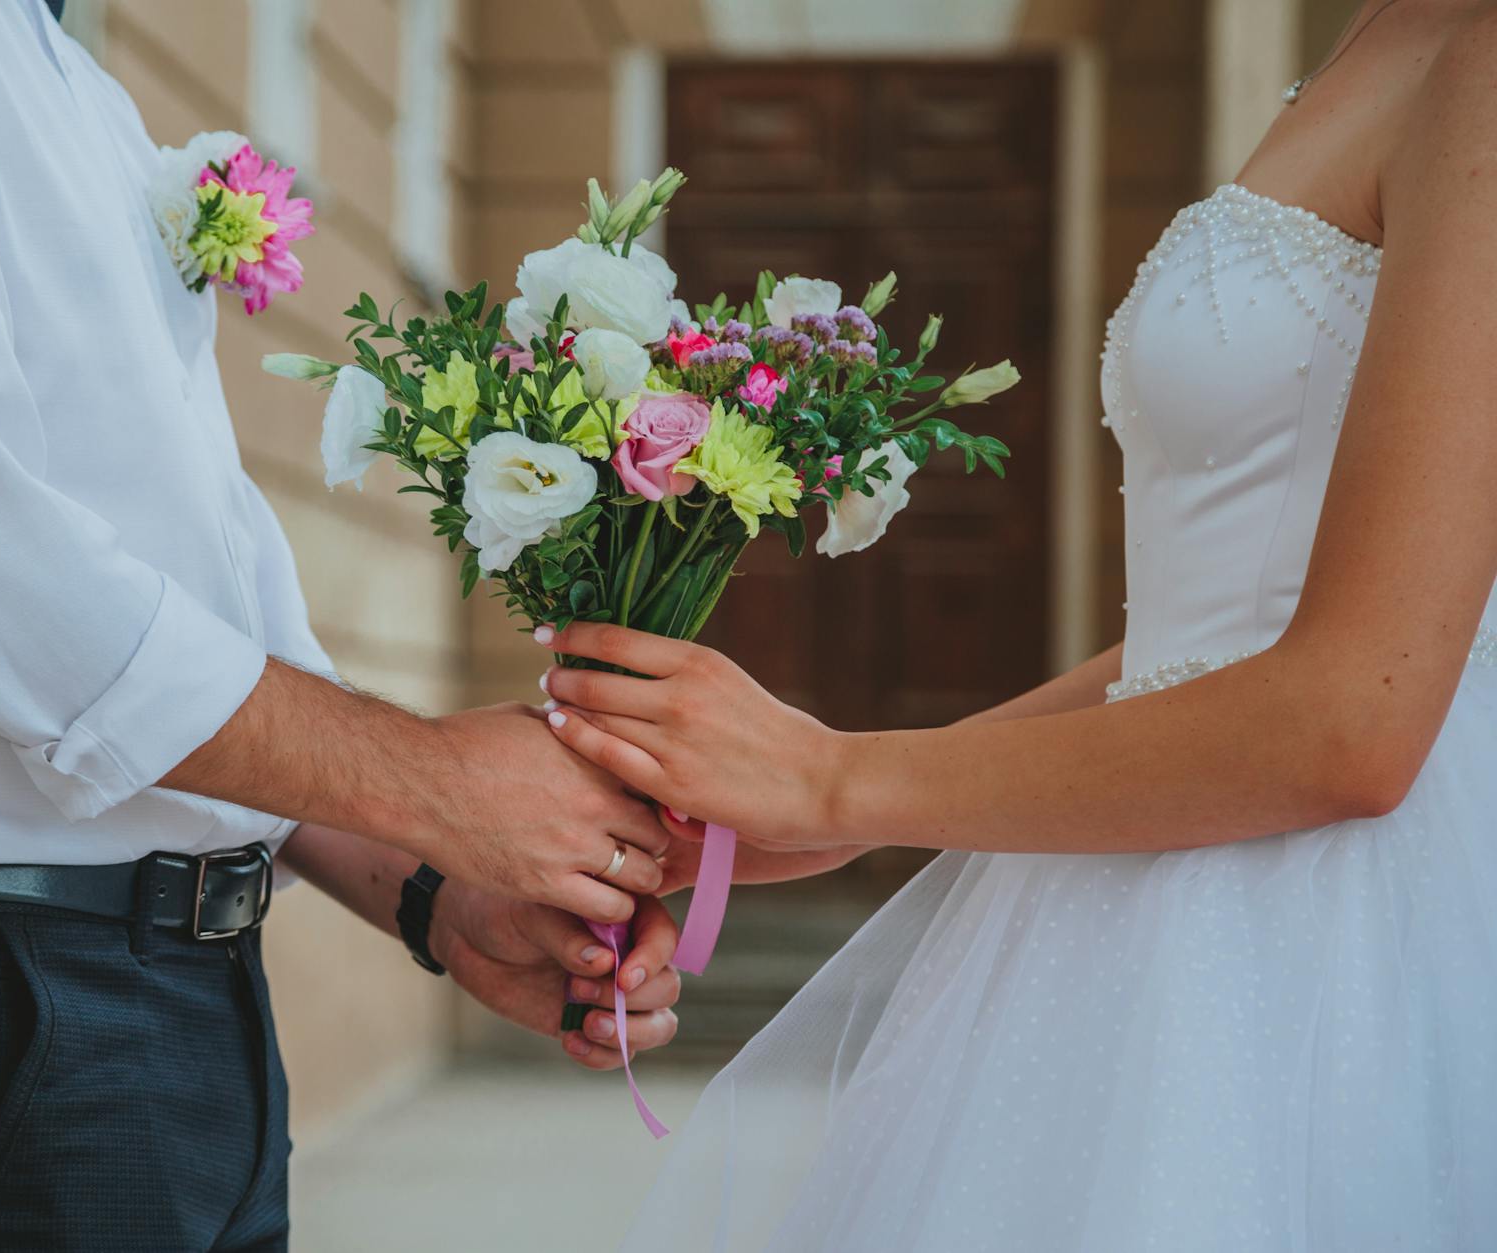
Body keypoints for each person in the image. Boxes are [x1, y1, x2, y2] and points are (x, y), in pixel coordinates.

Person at [0, 2, 683, 1249]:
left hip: (159, 1005)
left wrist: (426, 890)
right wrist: (434, 781)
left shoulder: (65, 77)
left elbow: (195, 589)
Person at [540, 1, 1497, 1248]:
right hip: (1158, 892)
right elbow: (1205, 633)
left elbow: (1352, 717)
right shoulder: (1384, 33)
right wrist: (837, 801)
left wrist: (834, 781)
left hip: (1317, 954)